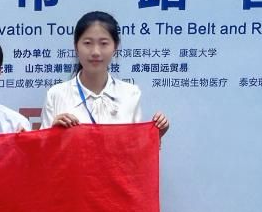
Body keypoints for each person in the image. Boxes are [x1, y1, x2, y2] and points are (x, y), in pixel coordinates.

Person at [41, 11, 170, 135]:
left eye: (103, 43)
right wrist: (53, 133)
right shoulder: (56, 95)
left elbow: (136, 146)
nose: (95, 52)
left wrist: (156, 134)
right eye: (87, 43)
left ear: (115, 47)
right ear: (76, 46)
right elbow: (41, 148)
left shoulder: (130, 94)